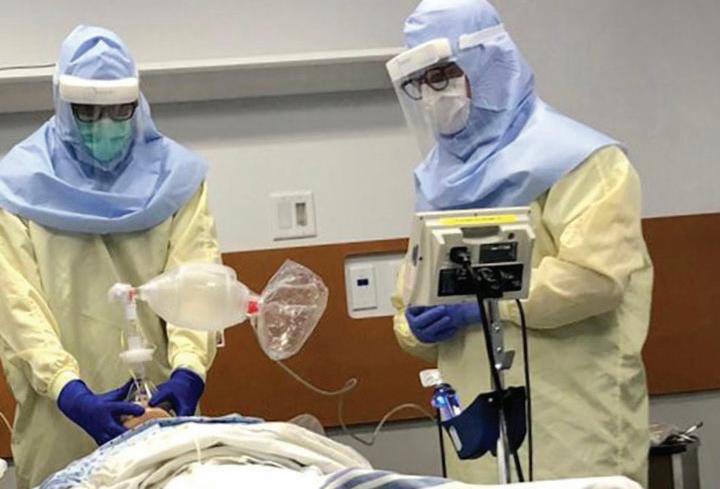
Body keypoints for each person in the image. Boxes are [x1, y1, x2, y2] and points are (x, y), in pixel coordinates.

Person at [387, 0, 653, 486]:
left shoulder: (581, 160)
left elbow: (594, 279)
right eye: (419, 81)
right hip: (475, 428)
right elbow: (411, 294)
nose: (432, 94)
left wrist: (487, 305)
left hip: (572, 423)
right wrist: (416, 325)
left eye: (443, 74)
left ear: (489, 64)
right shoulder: (438, 183)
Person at [0, 26, 220, 488]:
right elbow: (18, 308)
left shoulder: (176, 180)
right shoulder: (18, 186)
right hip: (60, 423)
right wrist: (69, 391)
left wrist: (189, 371)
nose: (105, 124)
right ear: (62, 104)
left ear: (137, 101)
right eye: (87, 111)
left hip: (159, 410)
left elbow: (197, 279)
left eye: (120, 110)